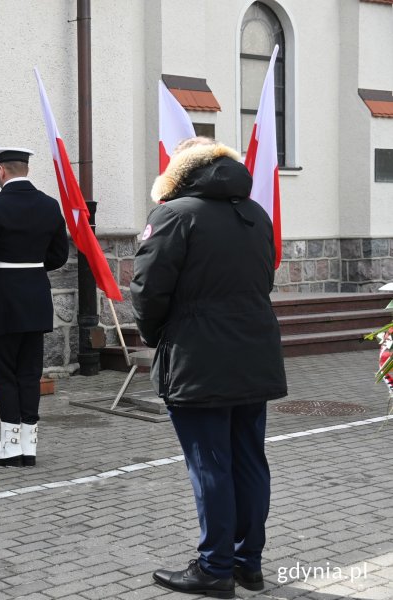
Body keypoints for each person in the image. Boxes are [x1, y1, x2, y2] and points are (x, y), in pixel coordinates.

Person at [131, 137, 287, 598]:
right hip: (253, 353)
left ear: (180, 171)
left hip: (199, 357)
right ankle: (246, 563)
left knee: (211, 465)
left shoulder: (174, 214)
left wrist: (157, 336)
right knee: (249, 460)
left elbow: (147, 291)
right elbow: (266, 277)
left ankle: (215, 568)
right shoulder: (256, 214)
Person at [0, 147, 69, 467]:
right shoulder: (50, 206)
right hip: (36, 296)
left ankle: (9, 446)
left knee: (5, 373)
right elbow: (59, 254)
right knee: (30, 373)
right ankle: (29, 444)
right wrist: (32, 266)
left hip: (4, 298)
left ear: (1, 171)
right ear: (26, 170)